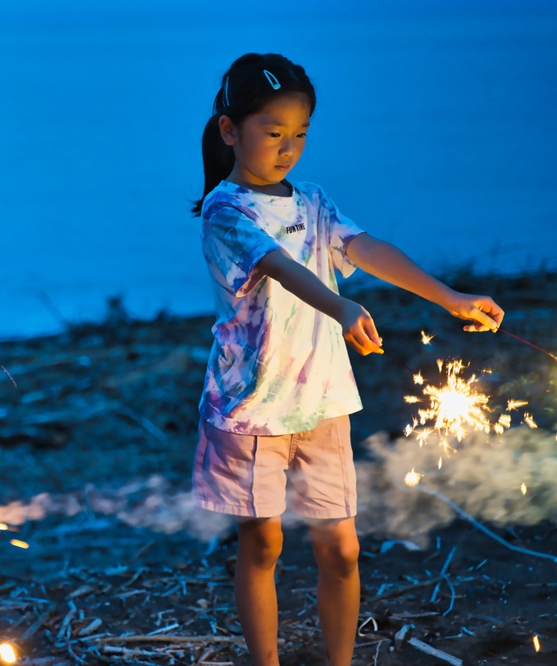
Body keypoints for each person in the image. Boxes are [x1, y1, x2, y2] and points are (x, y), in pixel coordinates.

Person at [191, 53, 504, 666]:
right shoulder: (225, 210)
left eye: (300, 133)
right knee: (263, 545)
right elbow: (277, 268)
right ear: (230, 130)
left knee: (342, 549)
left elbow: (367, 247)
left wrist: (450, 297)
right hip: (252, 410)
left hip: (325, 404)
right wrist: (339, 308)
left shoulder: (312, 201)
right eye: (272, 132)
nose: (288, 147)